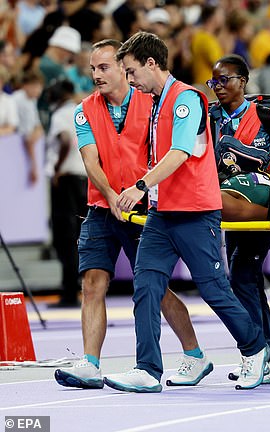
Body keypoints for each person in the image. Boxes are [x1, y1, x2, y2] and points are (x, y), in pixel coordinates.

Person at [107, 31, 268, 393]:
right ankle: (148, 369)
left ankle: (255, 349)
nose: (130, 81)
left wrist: (140, 186)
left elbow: (180, 153)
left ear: (151, 63)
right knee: (146, 286)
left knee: (214, 290)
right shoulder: (155, 104)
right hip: (163, 214)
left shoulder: (186, 100)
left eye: (132, 72)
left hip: (196, 212)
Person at [54, 39, 208, 390]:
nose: (96, 75)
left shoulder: (152, 104)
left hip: (143, 208)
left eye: (104, 67)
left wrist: (136, 194)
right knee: (92, 283)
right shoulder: (85, 109)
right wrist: (111, 197)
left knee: (157, 288)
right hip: (102, 206)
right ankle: (90, 363)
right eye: (92, 69)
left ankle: (194, 353)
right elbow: (90, 159)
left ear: (124, 70)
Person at [208, 54, 270, 384]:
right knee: (248, 278)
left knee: (242, 275)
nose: (217, 87)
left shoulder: (266, 115)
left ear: (242, 82)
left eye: (224, 80)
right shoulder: (211, 117)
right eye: (213, 81)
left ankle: (261, 355)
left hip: (263, 208)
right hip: (231, 208)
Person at [44, 79, 88, 309]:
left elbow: (63, 139)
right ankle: (80, 288)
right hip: (83, 179)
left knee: (65, 237)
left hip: (67, 179)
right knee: (79, 236)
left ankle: (69, 291)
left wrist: (58, 168)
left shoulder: (61, 114)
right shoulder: (82, 111)